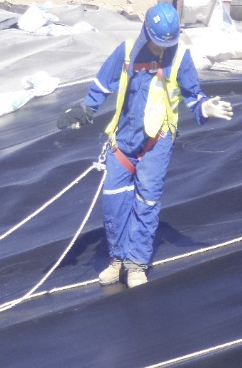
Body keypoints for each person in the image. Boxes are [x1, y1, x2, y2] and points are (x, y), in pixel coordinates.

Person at [57, 2, 233, 288]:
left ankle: (136, 264)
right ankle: (117, 259)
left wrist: (205, 107)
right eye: (157, 42)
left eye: (166, 43)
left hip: (157, 141)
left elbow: (193, 95)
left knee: (146, 202)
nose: (161, 48)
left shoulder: (180, 57)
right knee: (114, 201)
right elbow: (102, 84)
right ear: (146, 32)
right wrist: (85, 108)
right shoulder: (126, 52)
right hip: (122, 142)